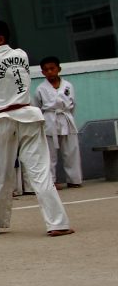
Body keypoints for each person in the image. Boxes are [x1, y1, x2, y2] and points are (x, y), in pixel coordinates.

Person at [0, 20, 73, 237]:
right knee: (40, 172)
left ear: (0, 39)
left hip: (1, 120)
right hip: (29, 117)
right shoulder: (21, 54)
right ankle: (58, 223)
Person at [34, 56, 82, 188]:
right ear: (42, 72)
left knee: (71, 151)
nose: (49, 72)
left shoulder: (68, 86)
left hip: (66, 118)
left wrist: (68, 117)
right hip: (49, 120)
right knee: (50, 154)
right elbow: (37, 108)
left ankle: (74, 180)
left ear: (58, 69)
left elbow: (73, 105)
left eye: (52, 68)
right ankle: (51, 182)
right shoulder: (40, 89)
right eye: (46, 70)